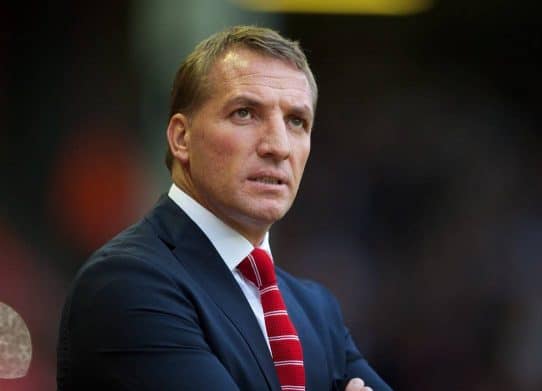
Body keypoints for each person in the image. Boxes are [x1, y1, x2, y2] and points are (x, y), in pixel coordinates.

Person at [56, 25, 392, 391]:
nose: (278, 146)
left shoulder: (316, 311)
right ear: (182, 138)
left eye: (296, 121)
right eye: (245, 113)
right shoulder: (126, 284)